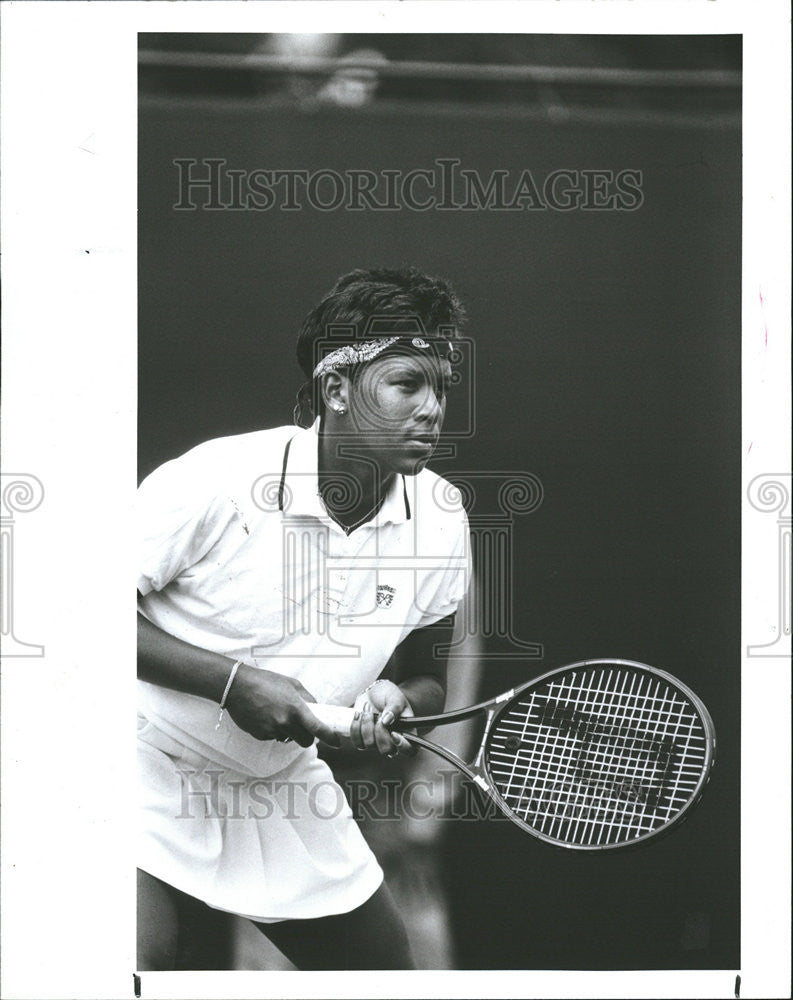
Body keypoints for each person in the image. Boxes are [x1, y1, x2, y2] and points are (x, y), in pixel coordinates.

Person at [136, 266, 471, 970]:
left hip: (279, 785)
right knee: (144, 965)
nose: (432, 407)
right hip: (139, 761)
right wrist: (234, 683)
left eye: (441, 387)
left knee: (385, 970)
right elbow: (68, 615)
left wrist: (396, 700)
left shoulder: (440, 516)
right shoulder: (214, 481)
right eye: (407, 383)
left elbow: (426, 680)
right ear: (337, 390)